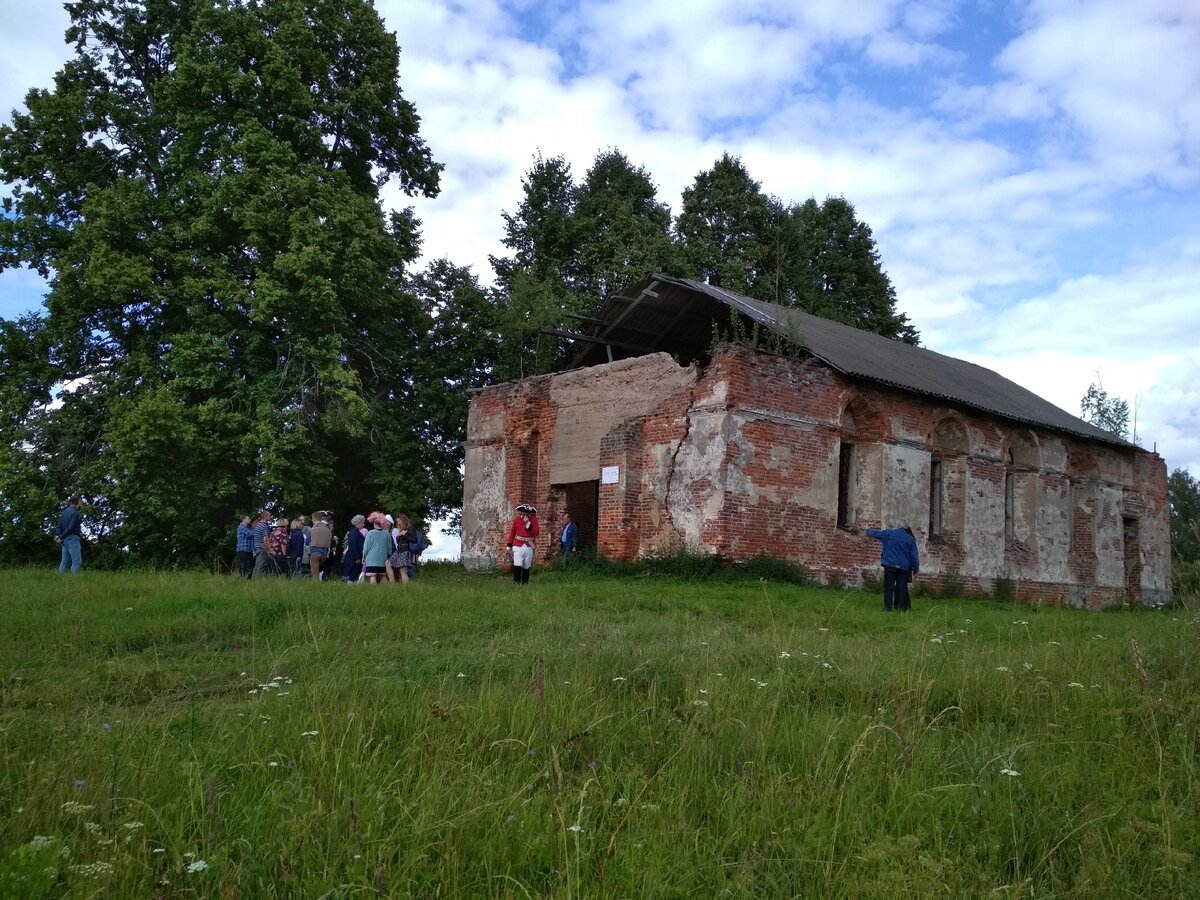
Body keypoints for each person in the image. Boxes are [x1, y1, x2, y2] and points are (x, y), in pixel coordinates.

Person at [863, 519, 921, 612]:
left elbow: (875, 534)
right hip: (903, 567)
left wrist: (867, 530)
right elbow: (914, 556)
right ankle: (901, 608)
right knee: (901, 587)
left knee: (888, 587)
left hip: (890, 564)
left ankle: (888, 608)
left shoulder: (889, 533)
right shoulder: (910, 539)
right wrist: (916, 569)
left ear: (898, 525)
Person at [505, 503, 540, 585]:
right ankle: (516, 583)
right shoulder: (517, 519)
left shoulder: (534, 520)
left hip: (528, 545)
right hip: (518, 545)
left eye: (525, 514)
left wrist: (528, 523)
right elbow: (512, 533)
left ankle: (525, 583)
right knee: (518, 564)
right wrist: (509, 544)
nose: (523, 515)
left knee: (526, 565)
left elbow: (536, 533)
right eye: (522, 513)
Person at [54, 496, 83, 575]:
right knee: (77, 561)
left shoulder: (65, 512)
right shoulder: (75, 513)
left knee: (65, 561)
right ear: (78, 502)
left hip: (64, 540)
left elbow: (58, 526)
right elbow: (71, 528)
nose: (82, 503)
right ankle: (74, 580)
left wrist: (60, 536)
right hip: (72, 538)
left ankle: (59, 579)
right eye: (81, 501)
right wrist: (61, 536)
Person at [387, 513, 419, 585]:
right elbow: (400, 541)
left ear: (403, 520)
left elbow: (414, 539)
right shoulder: (402, 529)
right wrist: (398, 537)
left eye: (399, 521)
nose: (398, 523)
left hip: (405, 551)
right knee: (388, 564)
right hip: (399, 551)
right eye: (397, 521)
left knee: (403, 571)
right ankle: (392, 583)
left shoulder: (410, 528)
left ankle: (405, 588)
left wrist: (404, 535)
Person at [361, 513, 392, 583]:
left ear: (374, 523)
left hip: (371, 559)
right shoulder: (387, 534)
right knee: (383, 575)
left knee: (372, 576)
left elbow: (366, 547)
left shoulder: (370, 533)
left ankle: (373, 589)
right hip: (382, 559)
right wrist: (387, 555)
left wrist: (363, 556)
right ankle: (386, 589)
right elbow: (389, 548)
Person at [341, 514, 366, 582]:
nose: (363, 525)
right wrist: (357, 557)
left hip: (353, 556)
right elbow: (353, 546)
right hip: (352, 557)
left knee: (353, 574)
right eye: (362, 523)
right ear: (357, 523)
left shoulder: (355, 532)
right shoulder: (354, 533)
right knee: (352, 575)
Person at [308, 511, 332, 580]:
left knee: (314, 572)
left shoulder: (312, 529)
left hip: (315, 552)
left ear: (313, 519)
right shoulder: (328, 530)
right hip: (324, 553)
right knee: (318, 569)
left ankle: (315, 584)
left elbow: (307, 541)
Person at [251, 510, 274, 579]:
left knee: (257, 566)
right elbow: (265, 539)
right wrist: (269, 550)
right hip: (262, 549)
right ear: (265, 516)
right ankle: (257, 582)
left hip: (257, 548)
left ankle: (253, 581)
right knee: (261, 567)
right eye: (269, 515)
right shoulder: (264, 526)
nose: (270, 517)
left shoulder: (258, 525)